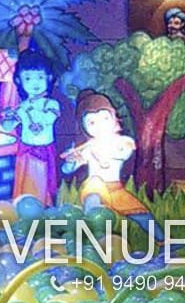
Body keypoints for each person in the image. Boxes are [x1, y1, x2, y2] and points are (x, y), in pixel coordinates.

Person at [61, 90, 159, 239]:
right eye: (92, 122)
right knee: (93, 201)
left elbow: (123, 153)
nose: (100, 125)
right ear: (84, 127)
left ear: (114, 117)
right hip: (94, 186)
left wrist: (102, 152)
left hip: (115, 188)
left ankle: (165, 241)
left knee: (141, 213)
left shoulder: (122, 141)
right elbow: (67, 169)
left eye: (105, 118)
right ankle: (91, 239)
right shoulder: (87, 147)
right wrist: (71, 161)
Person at [1, 49, 61, 204]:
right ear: (19, 80)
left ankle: (42, 206)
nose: (35, 83)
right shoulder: (21, 106)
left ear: (49, 77)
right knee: (24, 185)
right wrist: (8, 117)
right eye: (28, 78)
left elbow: (48, 119)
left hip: (43, 152)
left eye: (40, 77)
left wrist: (26, 113)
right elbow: (7, 127)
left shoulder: (51, 104)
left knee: (40, 186)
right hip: (25, 152)